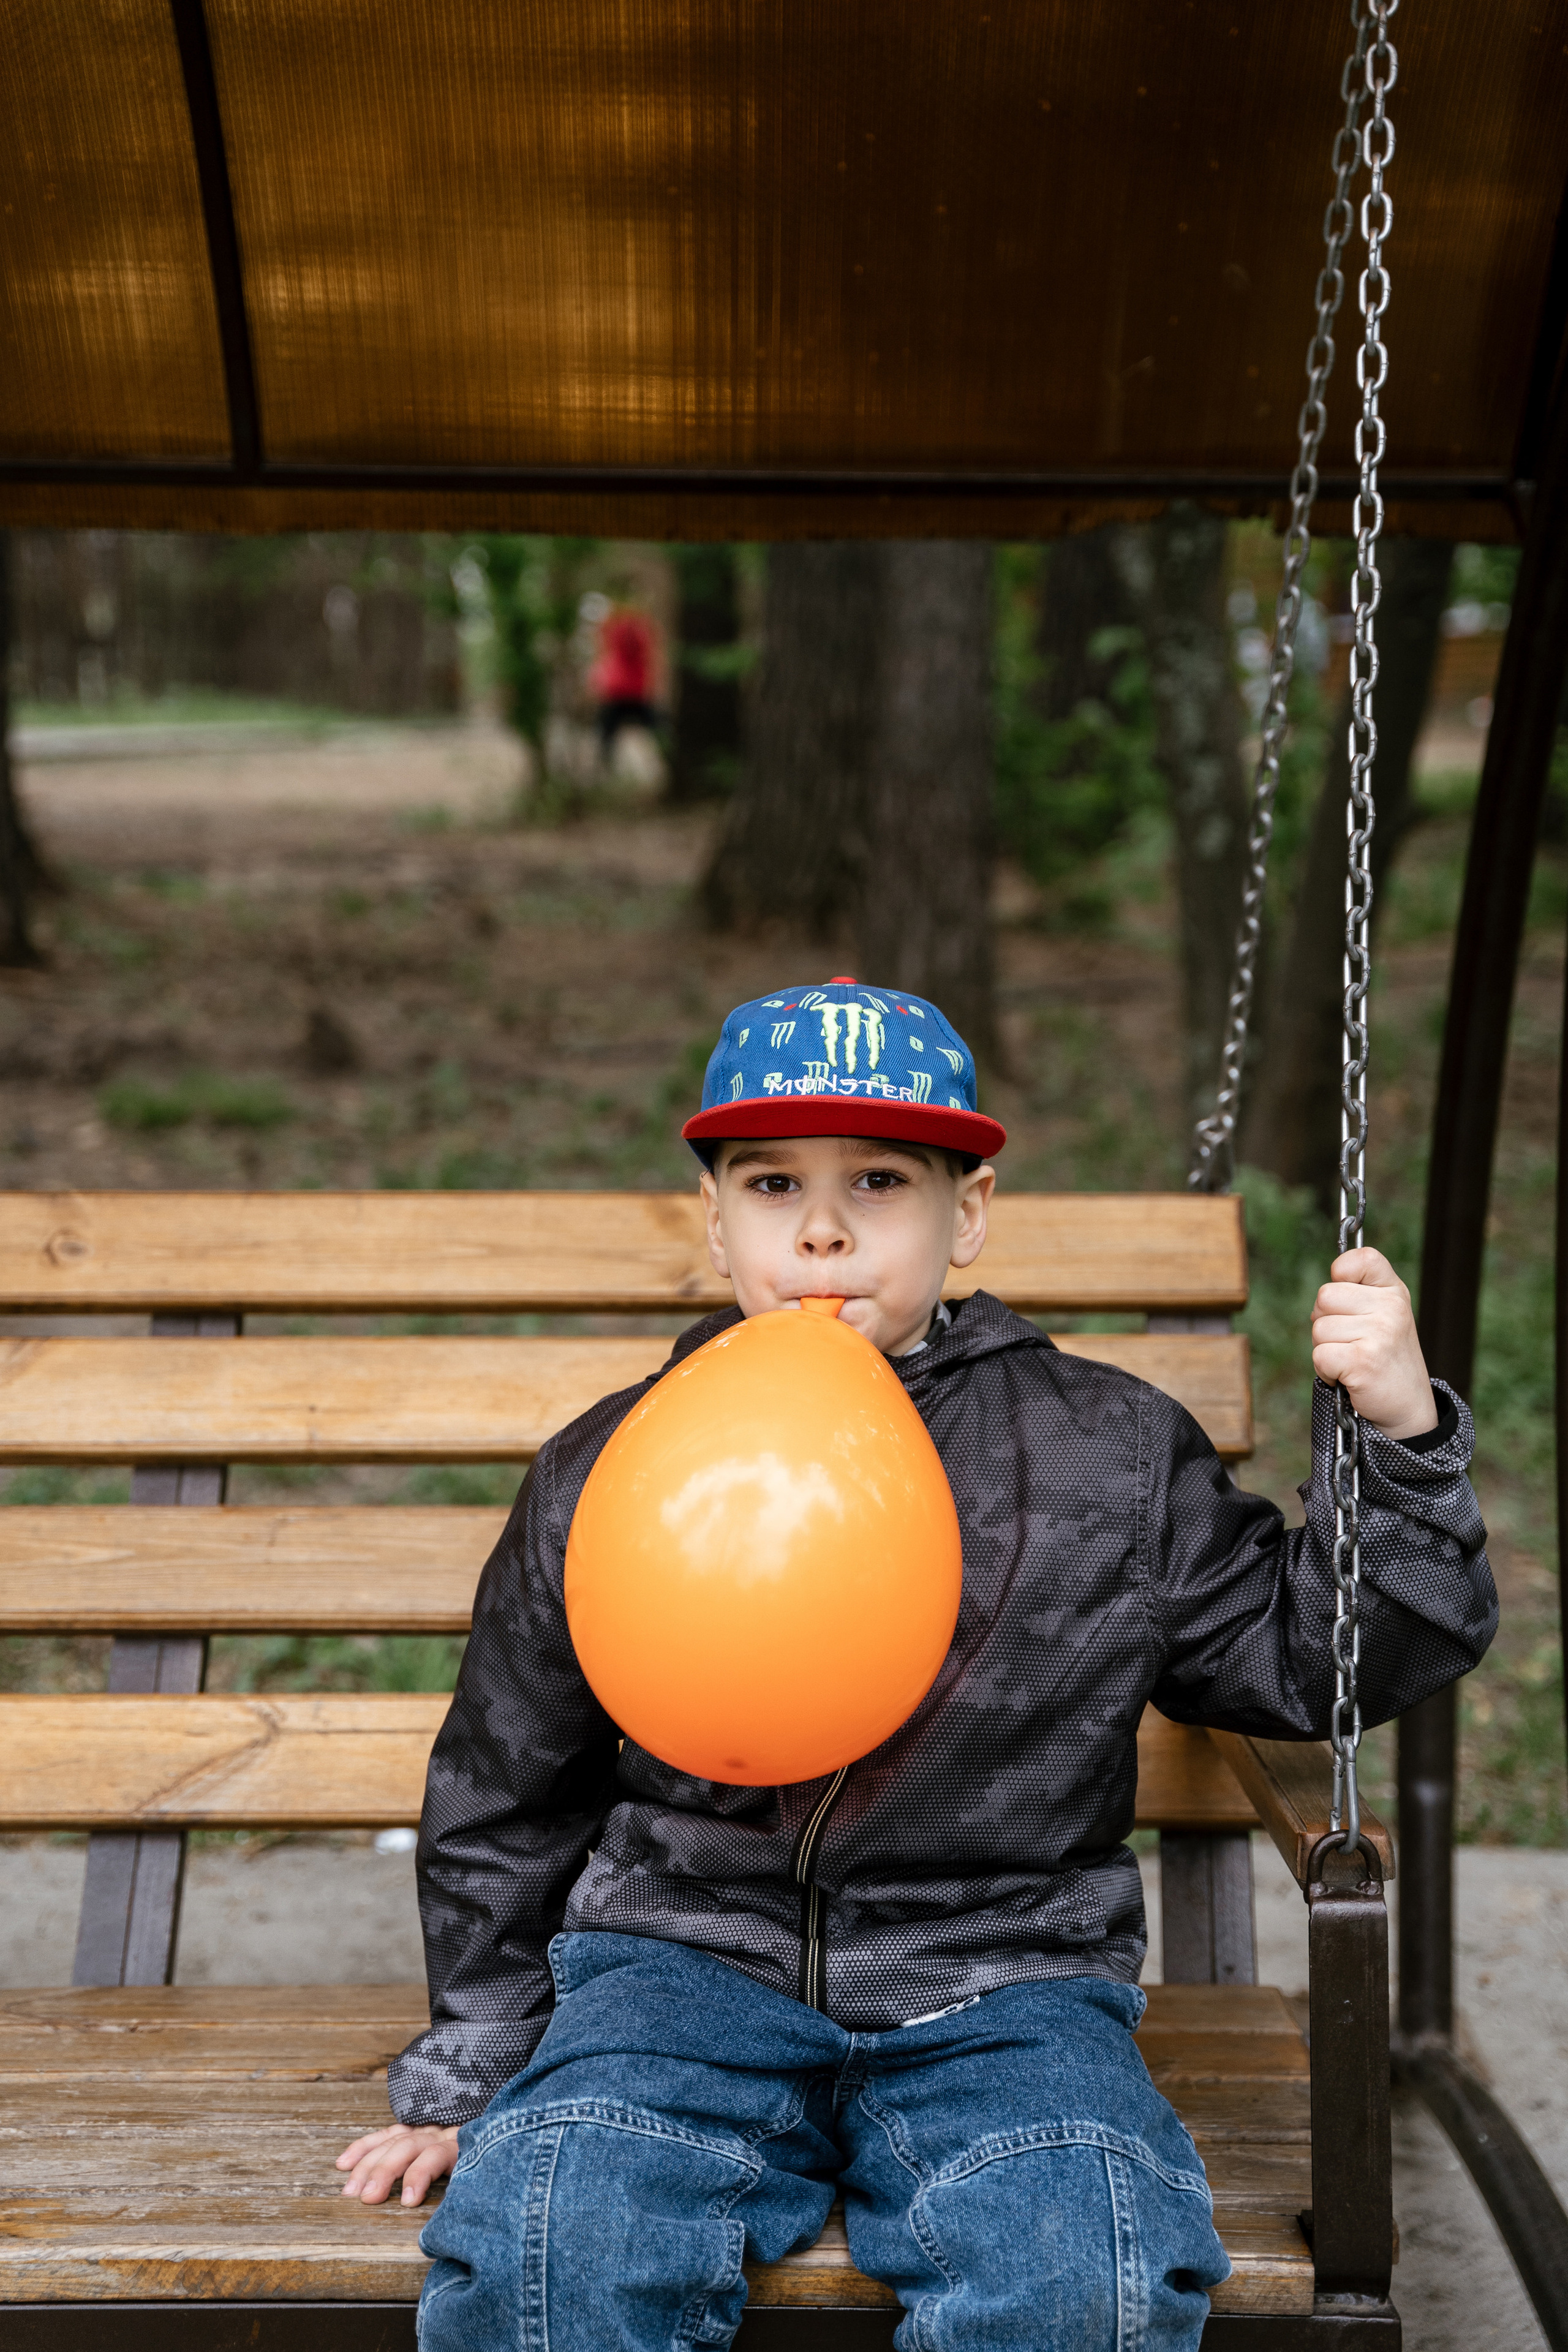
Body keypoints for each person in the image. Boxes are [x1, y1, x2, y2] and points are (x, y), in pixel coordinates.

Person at [336, 975, 1496, 2350]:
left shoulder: (1103, 1455)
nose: (820, 1229)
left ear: (970, 1213)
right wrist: (473, 2065)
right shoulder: (621, 1465)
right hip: (676, 1972)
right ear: (713, 1221)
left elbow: (1314, 1664)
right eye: (770, 1184)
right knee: (553, 2245)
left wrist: (1399, 1435)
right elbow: (506, 1779)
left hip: (1003, 1980)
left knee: (1089, 2273)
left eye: (877, 1180)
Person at [590, 604, 661, 763]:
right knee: (607, 732)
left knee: (657, 728)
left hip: (632, 691)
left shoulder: (636, 631)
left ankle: (603, 762)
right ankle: (603, 764)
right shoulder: (622, 630)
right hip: (622, 690)